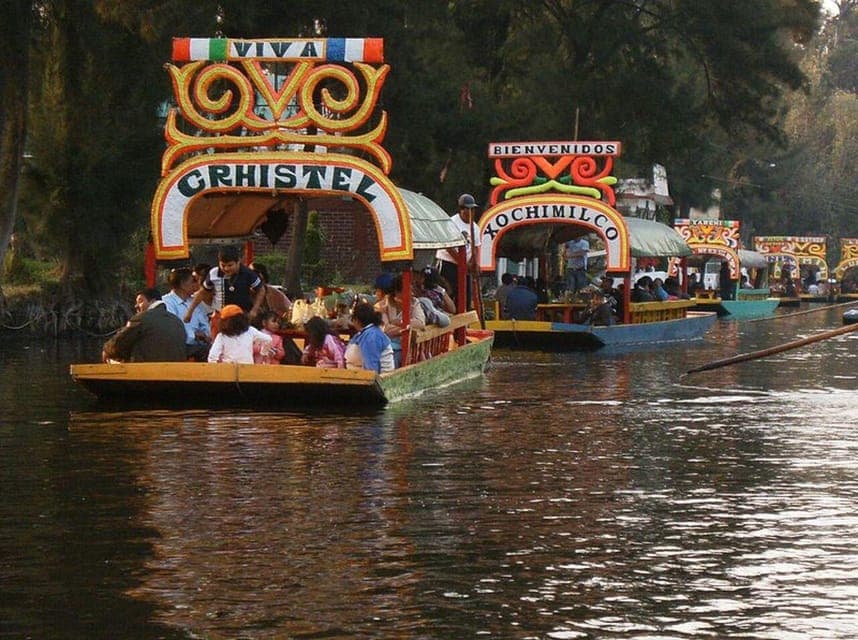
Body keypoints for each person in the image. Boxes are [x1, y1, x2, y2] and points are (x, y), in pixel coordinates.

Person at [185, 245, 266, 336]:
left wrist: (254, 310)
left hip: (241, 316)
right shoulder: (214, 273)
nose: (226, 268)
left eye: (230, 265)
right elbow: (202, 292)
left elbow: (261, 289)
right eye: (223, 265)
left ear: (238, 262)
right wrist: (190, 312)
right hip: (220, 316)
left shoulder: (248, 273)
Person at [102, 288, 187, 363]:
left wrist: (106, 351)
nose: (136, 306)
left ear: (153, 301)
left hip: (144, 374)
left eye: (140, 301)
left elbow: (117, 345)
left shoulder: (141, 318)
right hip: (174, 374)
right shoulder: (177, 321)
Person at [435, 193, 481, 308]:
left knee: (465, 297)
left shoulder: (475, 228)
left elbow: (475, 247)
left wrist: (473, 263)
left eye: (472, 209)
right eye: (467, 209)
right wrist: (462, 263)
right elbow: (449, 247)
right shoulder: (451, 223)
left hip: (466, 266)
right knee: (449, 294)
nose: (470, 212)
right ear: (461, 209)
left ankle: (463, 320)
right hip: (449, 263)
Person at [162, 267, 211, 361]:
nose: (196, 284)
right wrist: (194, 335)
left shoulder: (194, 302)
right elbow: (173, 327)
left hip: (199, 345)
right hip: (179, 345)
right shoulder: (166, 302)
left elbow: (204, 323)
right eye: (193, 281)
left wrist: (206, 335)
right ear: (183, 284)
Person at [379, 273, 426, 367]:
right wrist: (406, 328)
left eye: (412, 290)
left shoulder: (414, 302)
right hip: (389, 345)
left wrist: (399, 322)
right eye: (408, 290)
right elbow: (385, 329)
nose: (412, 293)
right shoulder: (384, 304)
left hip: (408, 346)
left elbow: (420, 323)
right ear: (397, 292)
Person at [207, 304, 273, 364]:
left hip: (234, 370)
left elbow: (212, 358)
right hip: (243, 369)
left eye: (226, 321)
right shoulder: (250, 331)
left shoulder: (250, 331)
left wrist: (263, 353)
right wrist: (264, 352)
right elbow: (268, 339)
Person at [345, 302, 395, 373]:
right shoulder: (366, 333)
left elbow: (372, 367)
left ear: (357, 320)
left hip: (379, 379)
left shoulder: (371, 336)